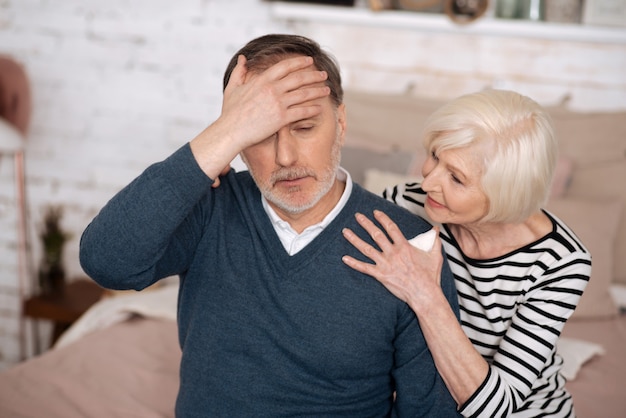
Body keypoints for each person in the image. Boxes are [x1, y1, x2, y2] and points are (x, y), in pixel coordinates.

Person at [79, 34, 461, 417]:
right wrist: (222, 134)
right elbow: (106, 261)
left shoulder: (410, 242)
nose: (286, 156)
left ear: (341, 124)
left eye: (304, 128)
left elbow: (430, 411)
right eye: (260, 133)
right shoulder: (209, 207)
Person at [341, 89, 591, 417]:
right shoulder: (407, 202)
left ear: (505, 193)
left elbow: (496, 406)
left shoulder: (561, 263)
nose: (428, 182)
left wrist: (424, 294)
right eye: (434, 155)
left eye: (456, 178)